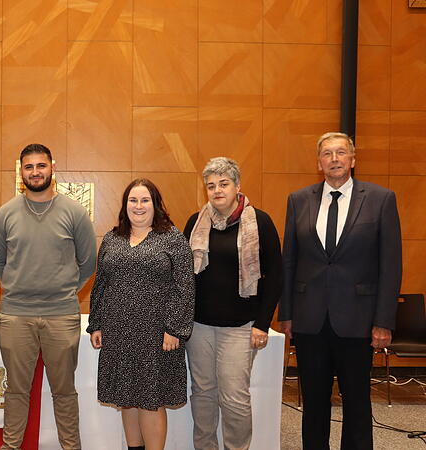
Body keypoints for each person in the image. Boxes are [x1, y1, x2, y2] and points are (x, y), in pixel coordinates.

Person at [278, 132, 402, 449]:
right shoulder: (298, 200)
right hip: (309, 321)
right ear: (319, 163)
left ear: (353, 159)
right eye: (327, 153)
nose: (334, 158)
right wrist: (287, 314)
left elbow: (391, 265)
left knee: (357, 404)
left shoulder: (381, 199)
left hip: (358, 321)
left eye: (341, 152)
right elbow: (289, 261)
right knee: (314, 404)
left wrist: (384, 321)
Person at [0, 143, 97, 450]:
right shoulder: (4, 214)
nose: (35, 172)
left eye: (41, 165)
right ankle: (10, 447)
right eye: (29, 167)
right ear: (20, 172)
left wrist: (62, 290)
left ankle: (70, 447)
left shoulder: (74, 212)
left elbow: (88, 262)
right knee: (16, 391)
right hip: (16, 314)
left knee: (64, 391)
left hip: (61, 315)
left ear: (52, 167)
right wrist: (17, 284)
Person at [182, 157, 282, 450]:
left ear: (238, 186)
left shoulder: (260, 221)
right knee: (202, 393)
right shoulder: (195, 221)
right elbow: (184, 274)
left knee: (234, 397)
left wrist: (263, 323)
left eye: (224, 184)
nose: (217, 191)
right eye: (211, 185)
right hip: (199, 326)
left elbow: (275, 276)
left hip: (241, 326)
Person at [88, 178, 194, 450]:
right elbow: (101, 283)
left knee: (150, 399)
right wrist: (96, 323)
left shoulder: (172, 238)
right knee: (126, 396)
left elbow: (185, 286)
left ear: (155, 204)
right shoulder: (113, 238)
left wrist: (175, 329)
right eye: (133, 200)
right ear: (125, 205)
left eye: (145, 200)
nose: (138, 206)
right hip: (118, 331)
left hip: (156, 334)